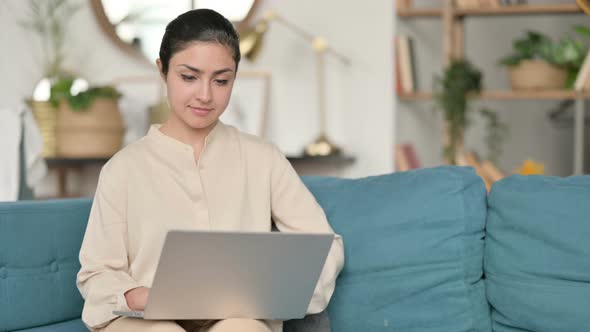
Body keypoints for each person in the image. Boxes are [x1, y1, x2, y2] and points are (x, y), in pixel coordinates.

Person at [76, 8, 344, 332]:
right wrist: (137, 296)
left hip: (238, 317)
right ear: (162, 71)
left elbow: (324, 246)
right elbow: (97, 273)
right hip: (147, 322)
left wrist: (269, 294)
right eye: (189, 77)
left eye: (221, 80)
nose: (205, 95)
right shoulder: (122, 169)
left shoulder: (263, 158)